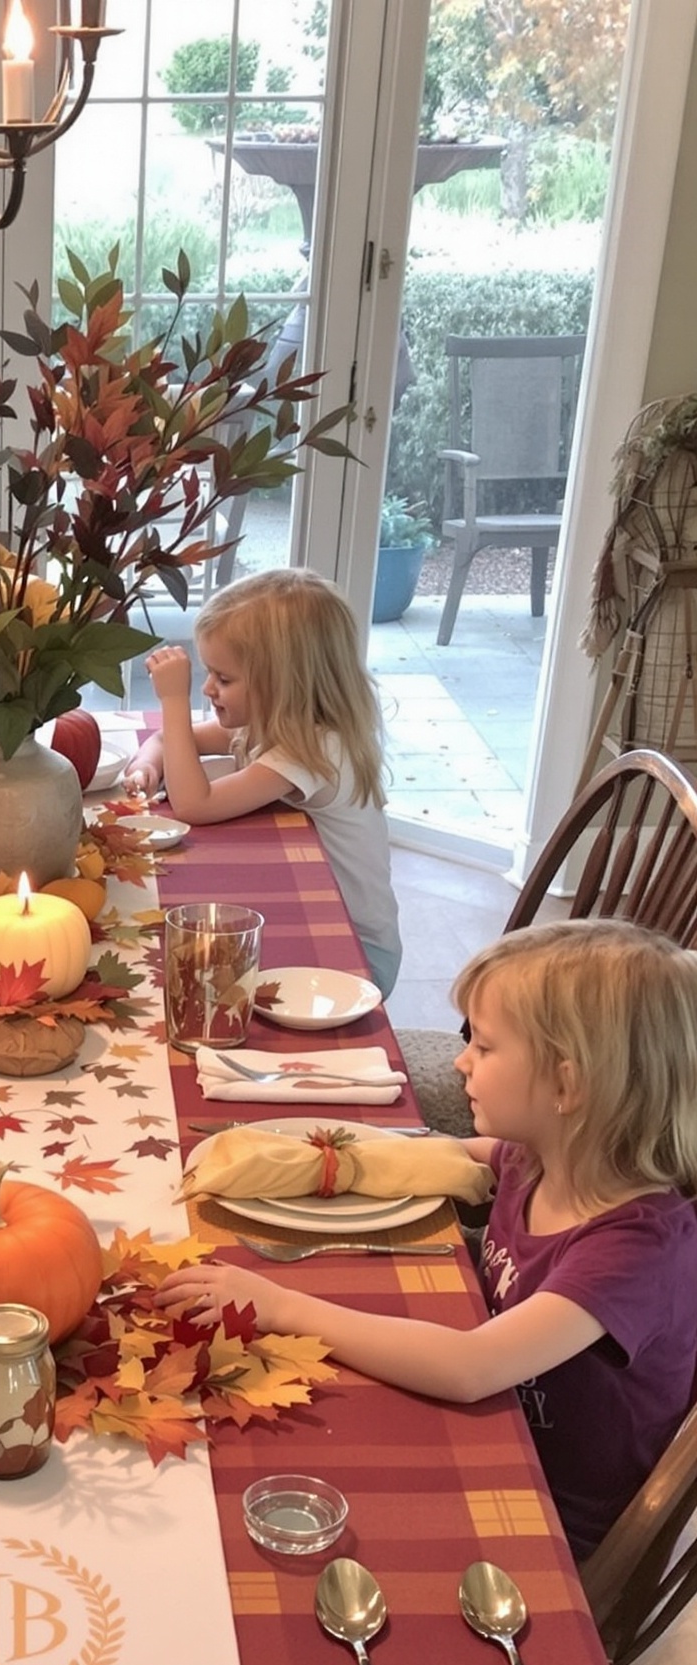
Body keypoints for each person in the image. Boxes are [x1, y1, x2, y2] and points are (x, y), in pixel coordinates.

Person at [161, 920, 697, 1558]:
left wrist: (277, 1305)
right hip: (500, 1424)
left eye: (486, 1047)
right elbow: (440, 1153)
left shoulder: (635, 1251)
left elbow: (469, 1368)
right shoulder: (543, 1156)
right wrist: (316, 1150)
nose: (459, 1060)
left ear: (568, 1085)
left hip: (550, 1522)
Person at [129, 567, 402, 999]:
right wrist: (147, 766)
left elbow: (194, 805)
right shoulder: (274, 723)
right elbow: (167, 741)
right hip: (310, 911)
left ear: (283, 684)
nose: (208, 690)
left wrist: (173, 700)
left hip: (358, 950)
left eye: (224, 678)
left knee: (206, 978)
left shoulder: (314, 749)